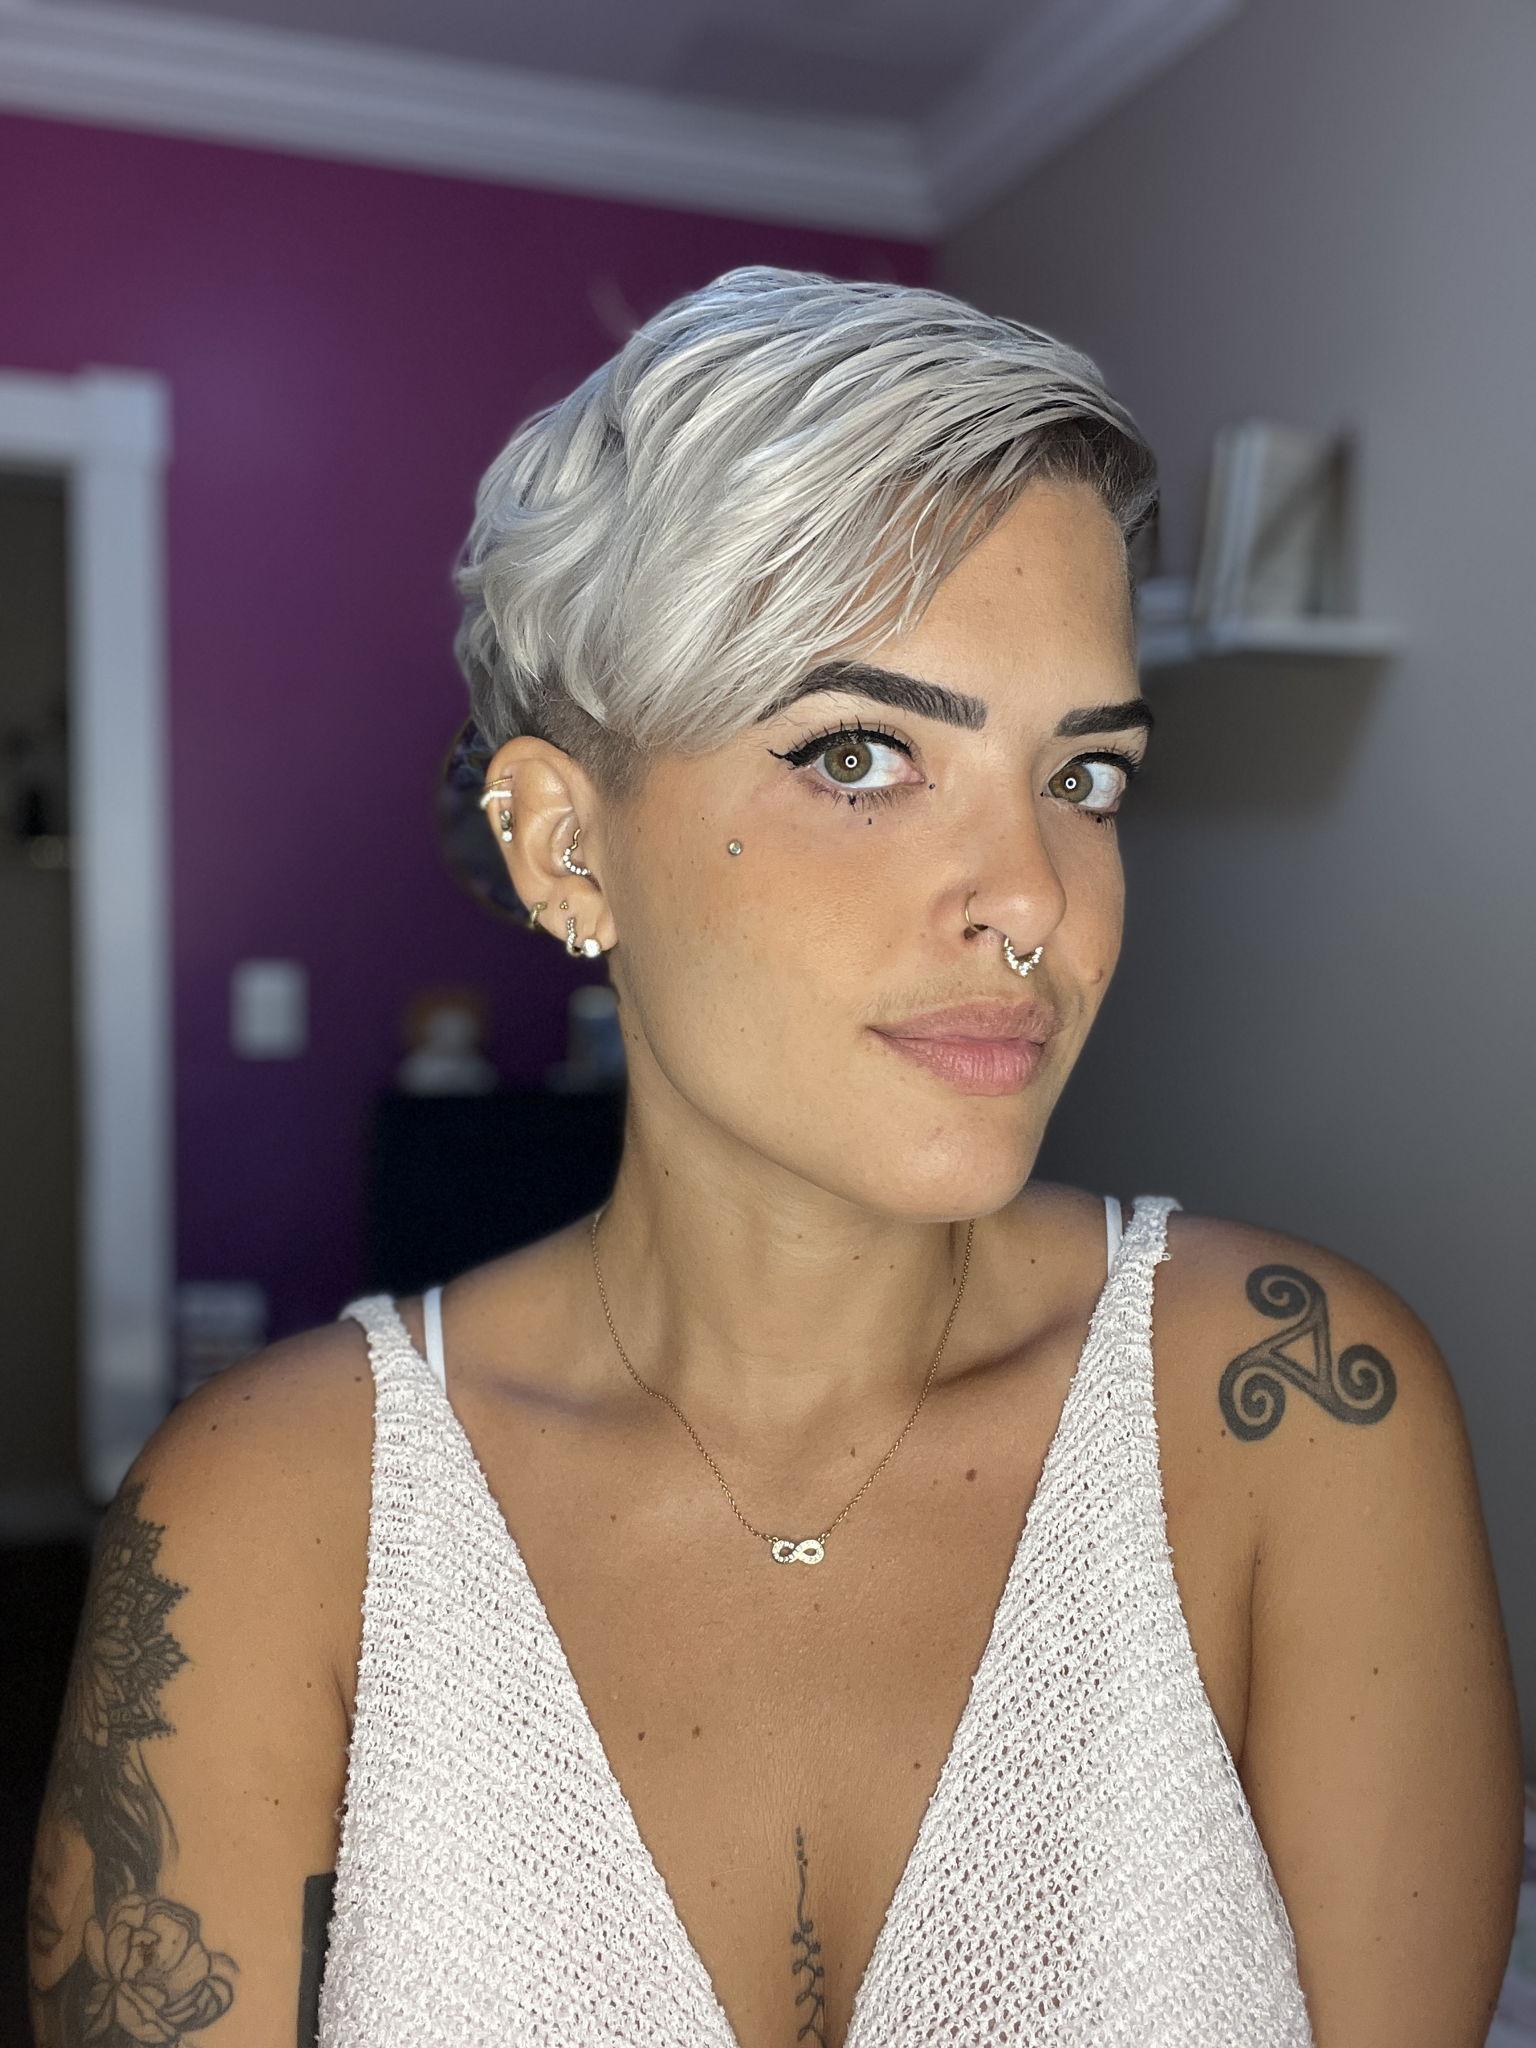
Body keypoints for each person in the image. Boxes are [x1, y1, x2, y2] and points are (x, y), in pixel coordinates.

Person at [27, 267, 1522, 2048]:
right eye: (861, 754)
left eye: (1086, 778)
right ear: (563, 844)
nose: (1033, 899)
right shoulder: (271, 1514)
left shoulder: (1298, 1410)